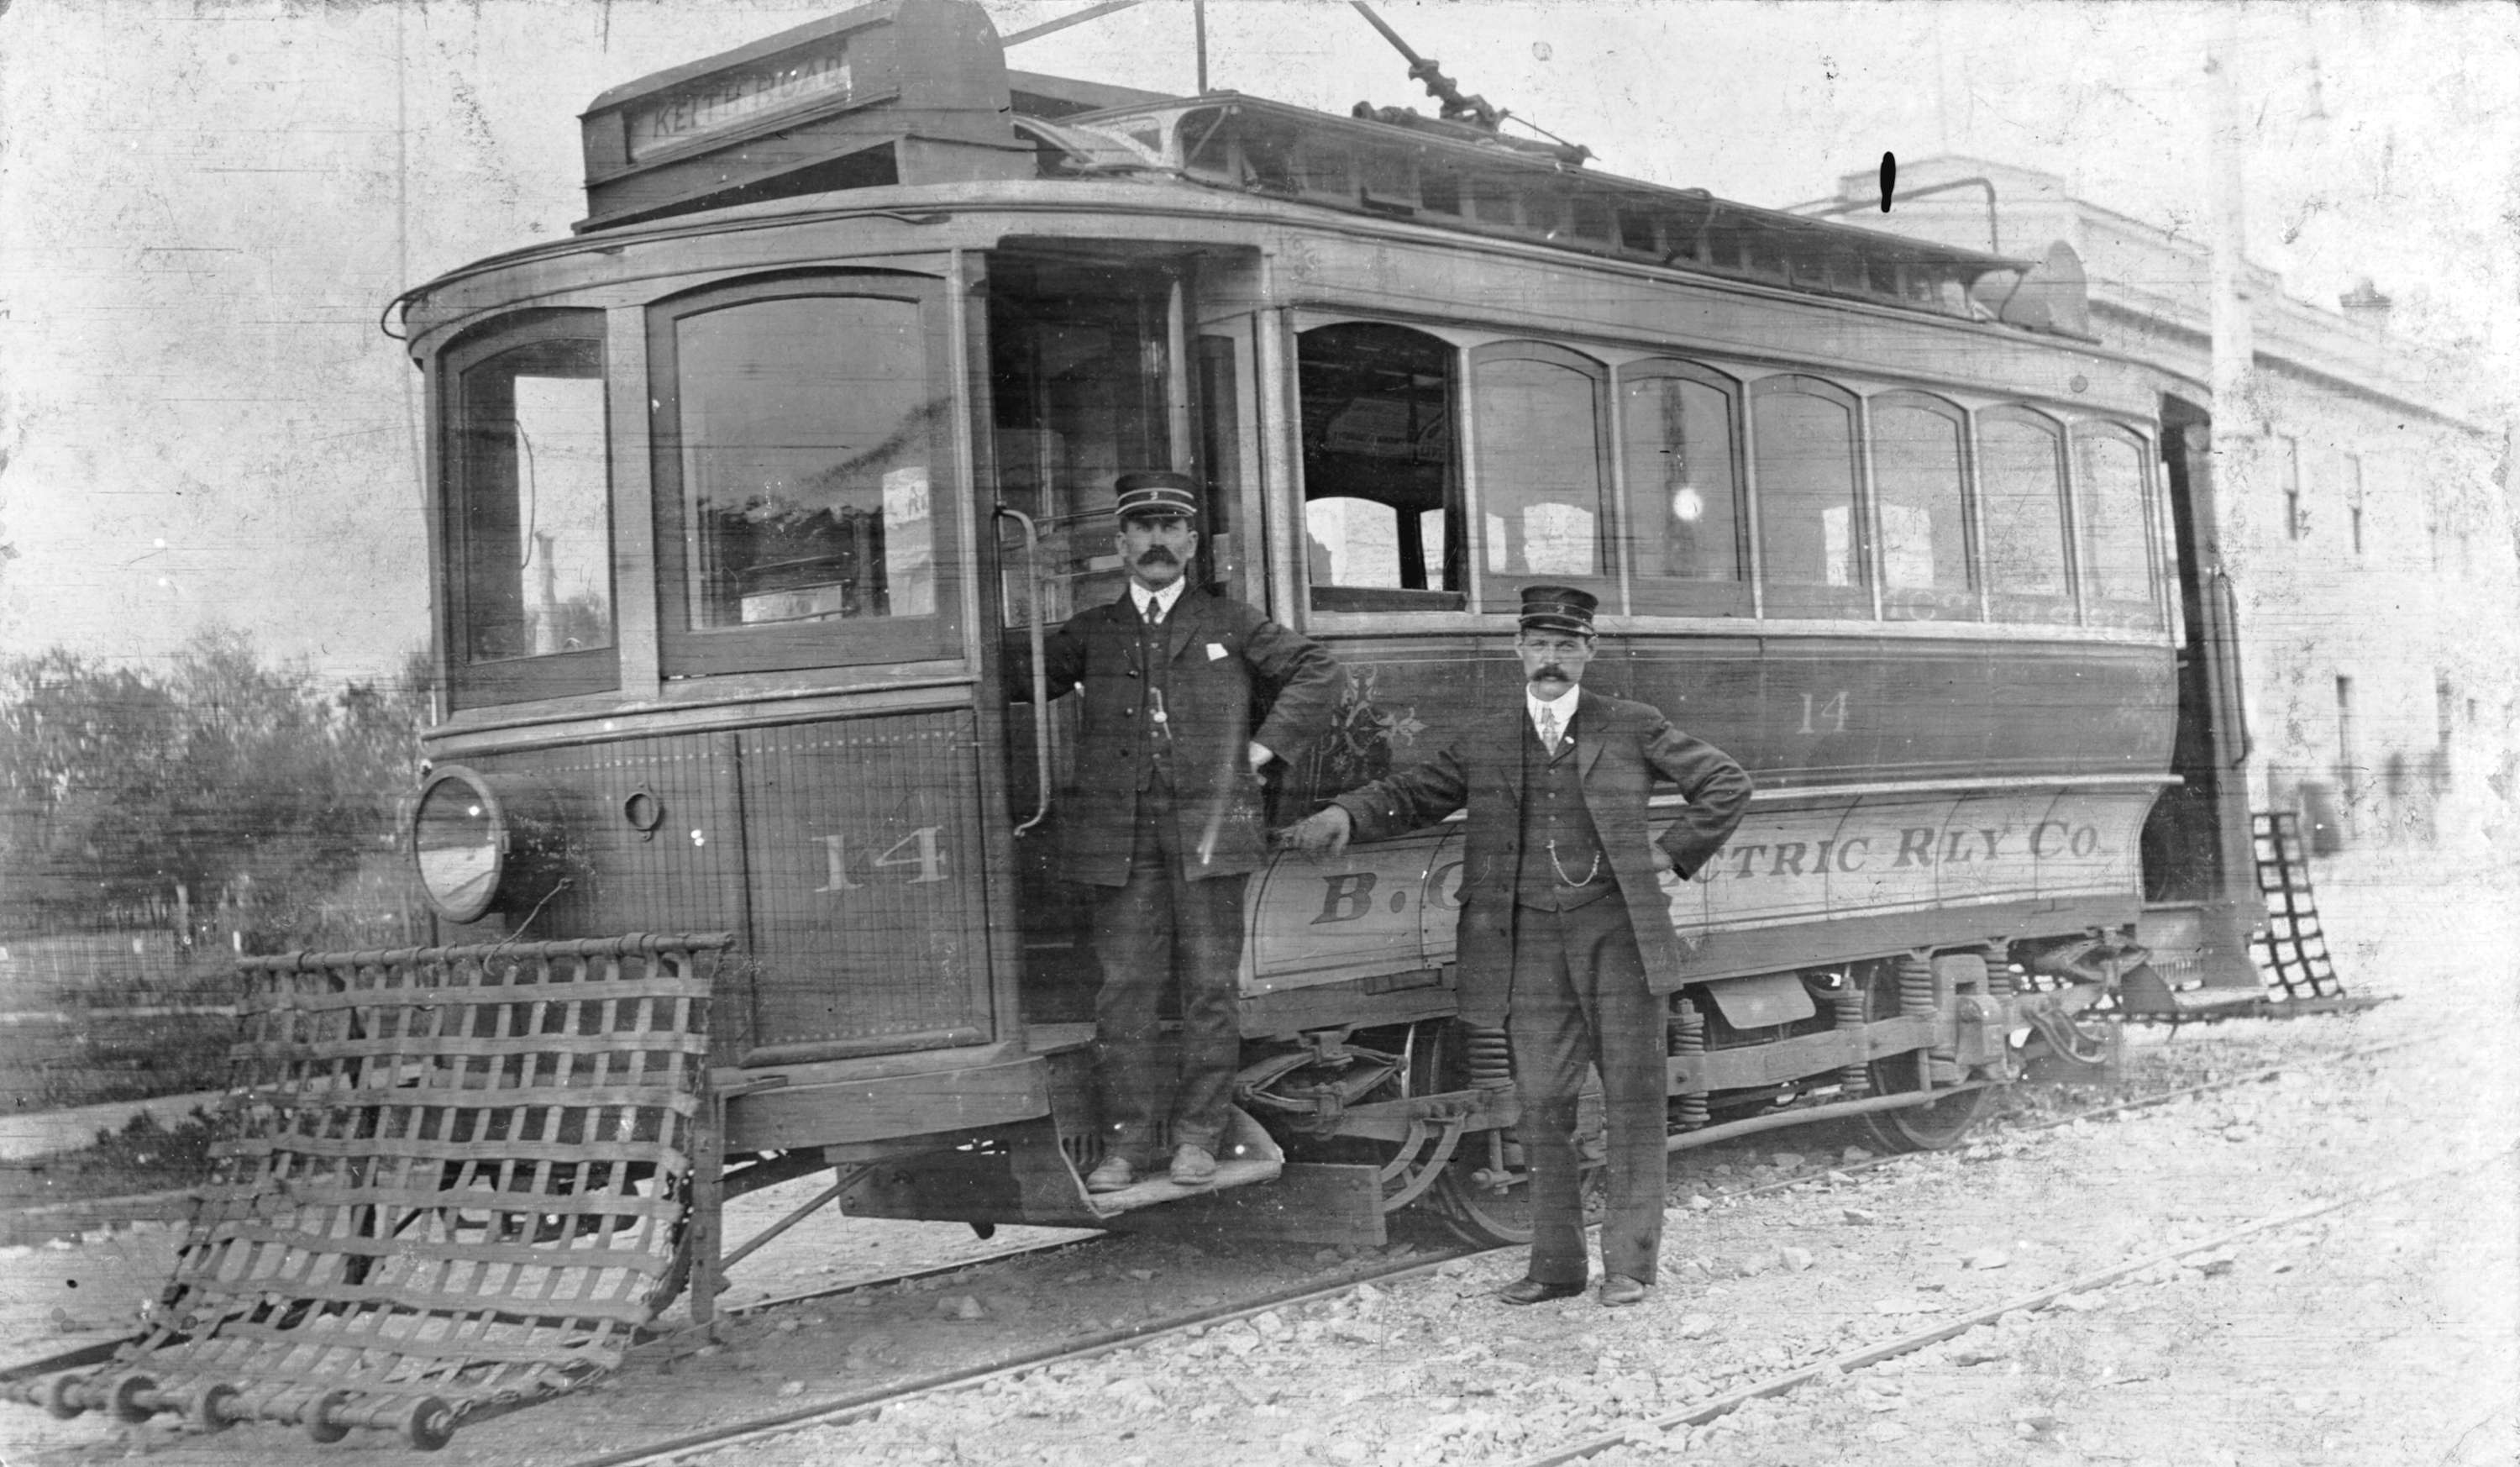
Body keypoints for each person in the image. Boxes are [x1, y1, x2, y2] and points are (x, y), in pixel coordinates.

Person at [1284, 585, 1751, 1306]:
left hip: (1618, 935)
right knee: (1540, 1105)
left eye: (1568, 646)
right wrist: (1347, 812)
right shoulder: (1488, 735)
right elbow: (1412, 792)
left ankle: (1628, 1266)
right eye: (1540, 645)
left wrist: (1672, 851)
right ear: (1518, 651)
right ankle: (1555, 1268)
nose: (1552, 660)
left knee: (1632, 1100)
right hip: (1526, 942)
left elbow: (1725, 781)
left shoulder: (1630, 724)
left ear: (1590, 652)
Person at [1021, 471, 1343, 1192]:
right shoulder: (1093, 632)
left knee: (1208, 988)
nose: (1159, 541)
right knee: (1125, 990)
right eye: (1144, 528)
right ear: (1121, 543)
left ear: (1192, 543)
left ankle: (1200, 1138)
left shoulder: (1231, 622)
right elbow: (1016, 676)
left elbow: (1319, 672)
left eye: (1172, 529)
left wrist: (1257, 752)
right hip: (1119, 839)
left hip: (1209, 835)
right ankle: (1126, 1147)